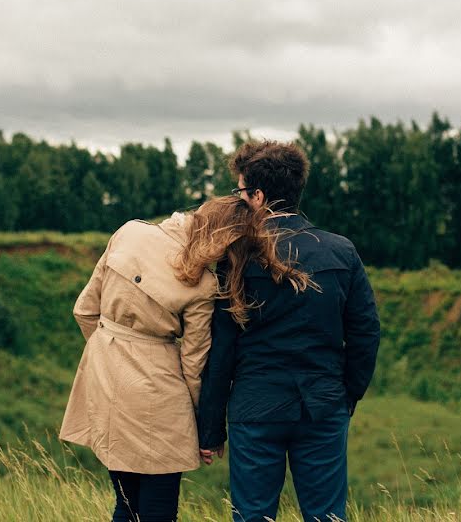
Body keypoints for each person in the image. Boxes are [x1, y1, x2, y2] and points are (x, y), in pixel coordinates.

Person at [59, 196, 315, 522]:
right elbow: (194, 365)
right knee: (158, 510)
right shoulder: (204, 283)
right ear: (227, 241)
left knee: (125, 503)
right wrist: (200, 425)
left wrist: (110, 353)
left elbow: (83, 309)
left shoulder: (128, 232)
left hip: (105, 375)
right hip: (159, 395)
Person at [197, 141, 381, 522]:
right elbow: (365, 332)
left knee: (252, 517)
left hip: (255, 405)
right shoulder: (341, 252)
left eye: (241, 191)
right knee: (326, 517)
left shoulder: (236, 257)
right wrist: (347, 395)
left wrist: (211, 427)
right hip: (322, 403)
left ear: (259, 196)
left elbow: (222, 348)